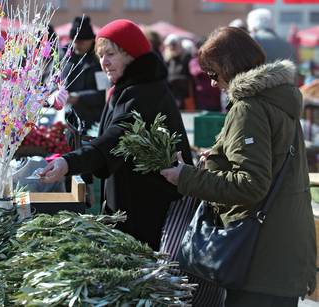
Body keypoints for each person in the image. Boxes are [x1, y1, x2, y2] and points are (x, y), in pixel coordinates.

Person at [160, 27, 316, 306]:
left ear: (229, 66)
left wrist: (186, 177)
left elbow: (250, 184)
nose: (210, 83)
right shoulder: (278, 99)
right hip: (283, 253)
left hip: (259, 260)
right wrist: (218, 157)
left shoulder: (249, 108)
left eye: (212, 73)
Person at [41, 19, 192, 250]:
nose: (104, 62)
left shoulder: (144, 92)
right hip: (132, 202)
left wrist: (69, 163)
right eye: (101, 55)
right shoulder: (127, 87)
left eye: (110, 54)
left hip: (147, 208)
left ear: (131, 54)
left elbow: (115, 138)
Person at [62, 16, 106, 135]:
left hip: (92, 121)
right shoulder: (66, 58)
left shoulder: (99, 61)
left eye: (82, 41)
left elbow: (104, 93)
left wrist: (79, 97)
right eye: (75, 40)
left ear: (92, 40)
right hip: (66, 118)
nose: (77, 44)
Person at [163, 34, 192, 109]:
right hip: (171, 94)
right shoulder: (167, 60)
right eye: (170, 45)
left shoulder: (186, 58)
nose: (172, 47)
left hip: (184, 96)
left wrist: (174, 80)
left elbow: (190, 77)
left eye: (174, 44)